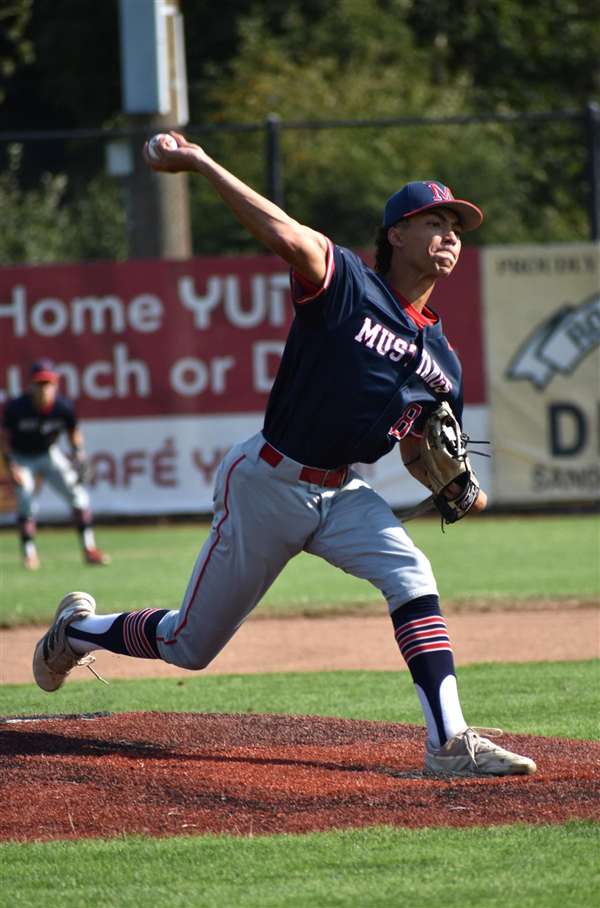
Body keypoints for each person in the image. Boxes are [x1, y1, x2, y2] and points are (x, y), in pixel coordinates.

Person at [32, 133, 536, 777]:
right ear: (396, 235)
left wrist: (454, 487)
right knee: (188, 645)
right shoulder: (348, 284)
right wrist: (202, 164)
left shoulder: (444, 361)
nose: (451, 236)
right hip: (268, 483)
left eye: (457, 228)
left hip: (342, 493)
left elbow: (420, 447)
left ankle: (448, 742)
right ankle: (76, 631)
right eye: (434, 222)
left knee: (412, 575)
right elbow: (283, 232)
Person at [1, 358, 110, 569]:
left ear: (55, 384)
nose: (44, 388)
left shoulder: (63, 406)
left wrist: (79, 454)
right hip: (22, 456)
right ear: (31, 385)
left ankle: (89, 549)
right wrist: (11, 465)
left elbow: (73, 432)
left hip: (48, 454)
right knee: (25, 499)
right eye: (40, 383)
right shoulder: (17, 407)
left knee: (78, 495)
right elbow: (4, 439)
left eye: (48, 383)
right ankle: (29, 554)